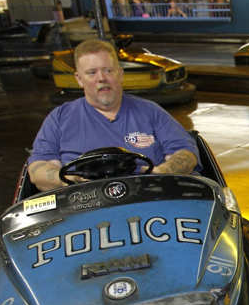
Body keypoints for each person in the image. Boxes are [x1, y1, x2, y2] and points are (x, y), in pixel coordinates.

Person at [27, 39, 199, 193]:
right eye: (92, 72)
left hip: (147, 196)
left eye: (108, 70)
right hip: (83, 203)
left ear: (120, 74)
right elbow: (38, 169)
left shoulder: (151, 111)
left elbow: (185, 153)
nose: (101, 78)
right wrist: (72, 180)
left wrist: (160, 173)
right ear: (79, 79)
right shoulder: (59, 118)